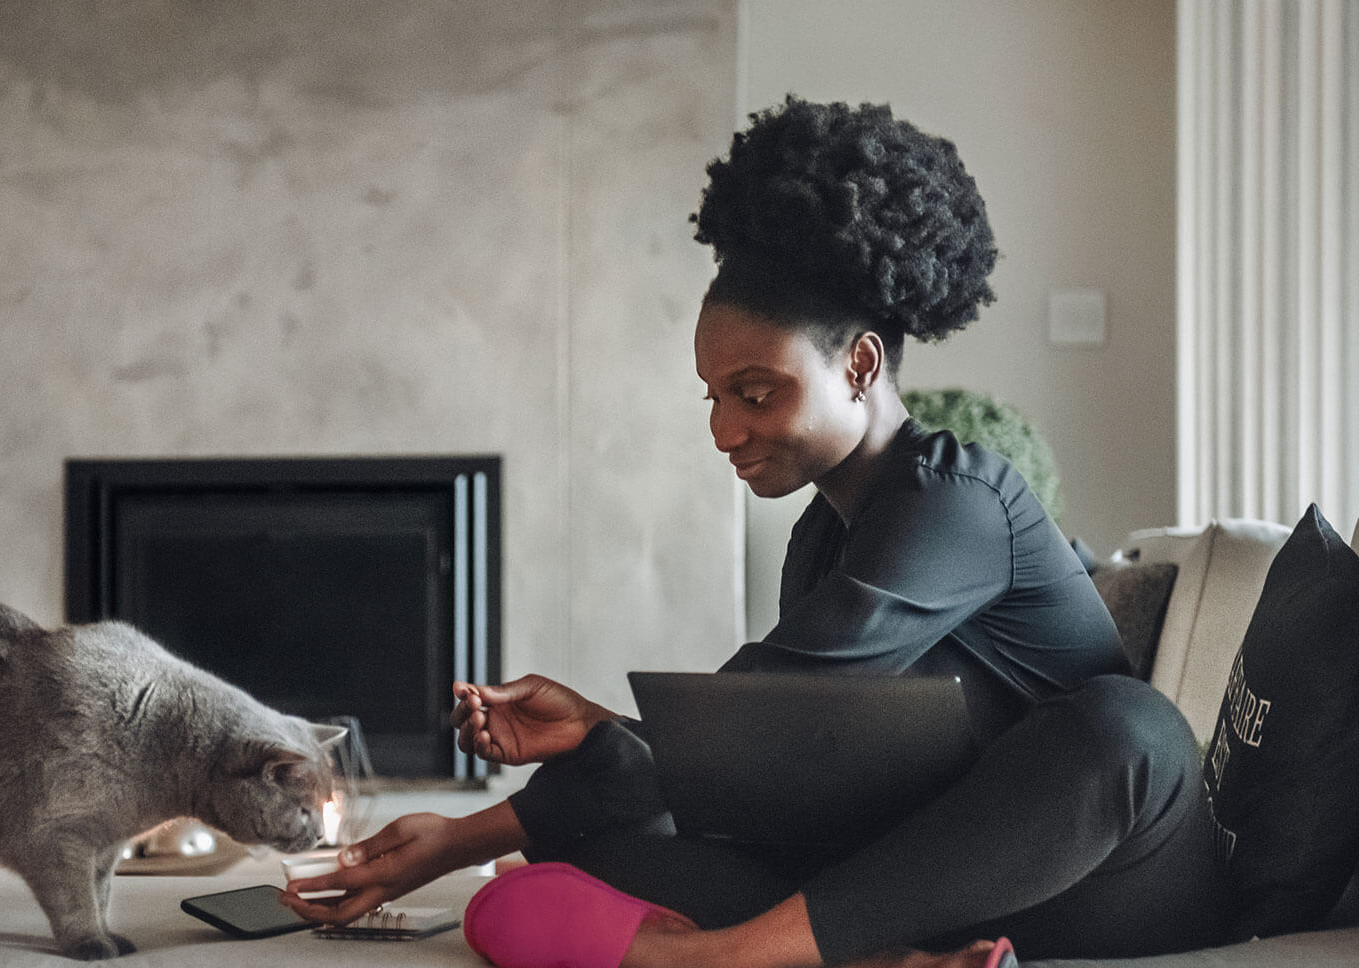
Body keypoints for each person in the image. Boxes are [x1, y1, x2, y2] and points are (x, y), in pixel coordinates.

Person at [282, 98, 1229, 967]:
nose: (724, 429)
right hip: (939, 882)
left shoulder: (955, 501)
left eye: (756, 392)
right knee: (582, 869)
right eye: (714, 396)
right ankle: (878, 955)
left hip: (1110, 882)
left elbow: (763, 707)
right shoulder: (823, 531)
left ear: (858, 366)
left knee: (1128, 727)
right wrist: (457, 836)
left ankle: (730, 959)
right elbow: (775, 763)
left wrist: (566, 760)